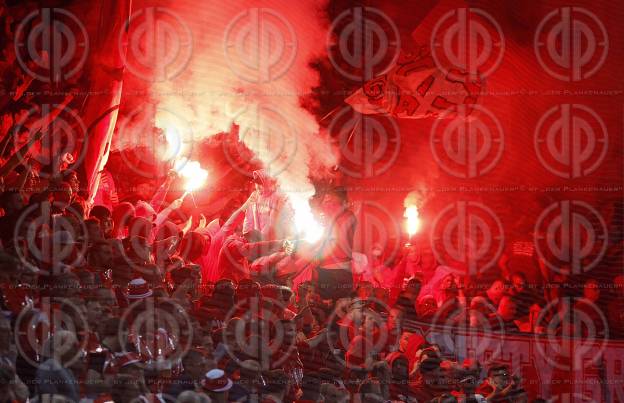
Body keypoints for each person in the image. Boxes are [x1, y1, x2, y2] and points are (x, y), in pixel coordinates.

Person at [313, 187, 357, 301]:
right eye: (324, 201)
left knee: (335, 311)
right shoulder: (332, 219)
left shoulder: (346, 217)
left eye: (329, 201)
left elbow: (339, 243)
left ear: (341, 203)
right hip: (329, 272)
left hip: (336, 273)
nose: (324, 205)